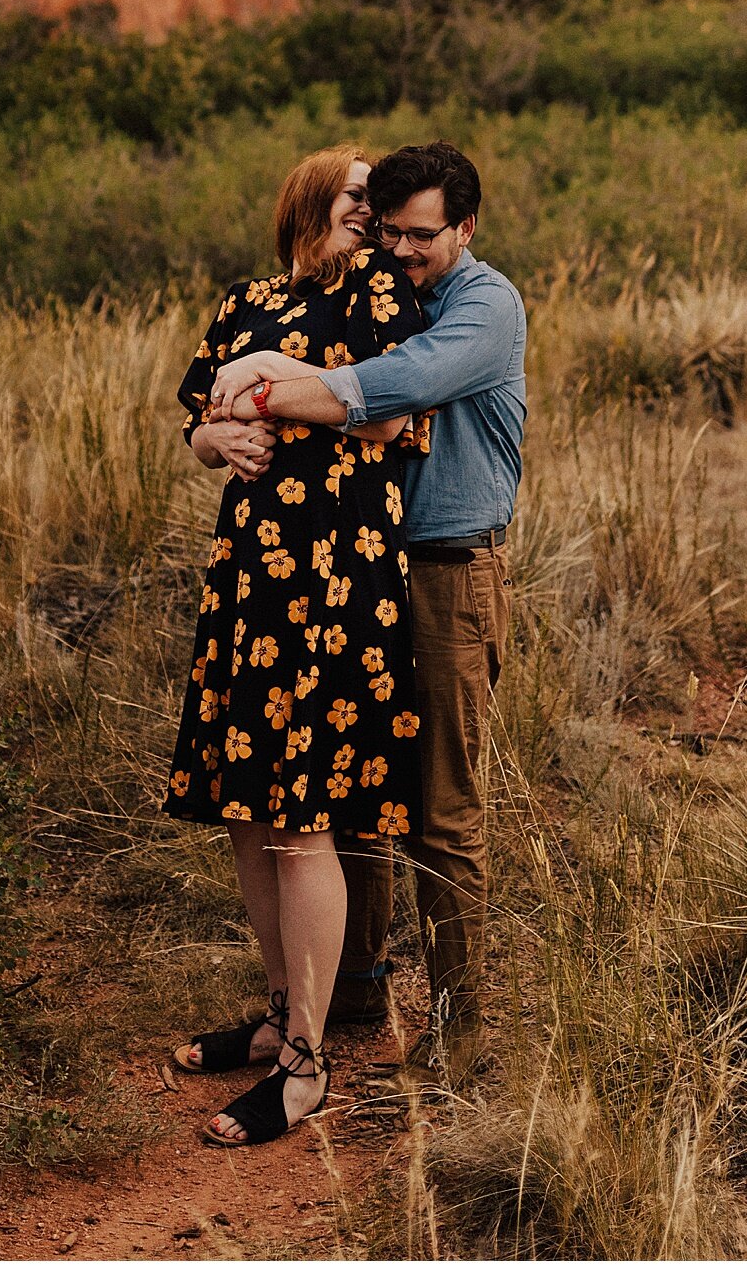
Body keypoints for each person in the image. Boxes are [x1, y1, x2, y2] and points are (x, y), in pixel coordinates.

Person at [210, 139, 526, 1085]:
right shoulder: (373, 293)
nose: (400, 248)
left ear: (464, 228)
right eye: (387, 229)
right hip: (359, 571)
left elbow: (390, 394)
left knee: (441, 813)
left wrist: (260, 379)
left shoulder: (483, 306)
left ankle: (463, 1032)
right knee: (350, 797)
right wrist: (215, 427)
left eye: (419, 234)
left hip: (444, 575)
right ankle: (352, 999)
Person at [163, 145, 432, 1146]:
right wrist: (216, 438)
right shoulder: (248, 300)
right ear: (311, 201)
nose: (378, 213)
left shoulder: (379, 294)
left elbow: (394, 413)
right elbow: (198, 418)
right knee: (248, 810)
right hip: (250, 580)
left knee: (304, 818)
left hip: (337, 580)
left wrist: (266, 387)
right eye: (362, 196)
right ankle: (278, 1015)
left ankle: (307, 1064)